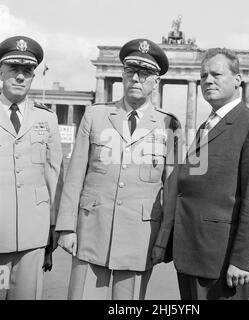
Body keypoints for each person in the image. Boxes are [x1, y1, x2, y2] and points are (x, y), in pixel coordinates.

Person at [56, 38, 181, 300]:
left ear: (156, 82)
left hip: (140, 239)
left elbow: (171, 190)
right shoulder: (95, 115)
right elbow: (75, 174)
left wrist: (163, 239)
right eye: (130, 71)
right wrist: (67, 227)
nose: (136, 78)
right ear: (122, 76)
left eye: (145, 73)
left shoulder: (169, 125)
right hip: (91, 233)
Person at [152, 48, 249, 300]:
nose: (208, 80)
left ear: (238, 80)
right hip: (192, 253)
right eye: (204, 75)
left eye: (217, 74)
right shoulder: (208, 125)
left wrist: (243, 259)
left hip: (221, 260)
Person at [0, 36, 63, 299]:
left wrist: (54, 227)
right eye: (14, 70)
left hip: (33, 235)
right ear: (0, 73)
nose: (20, 77)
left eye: (27, 72)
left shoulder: (46, 118)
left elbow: (54, 174)